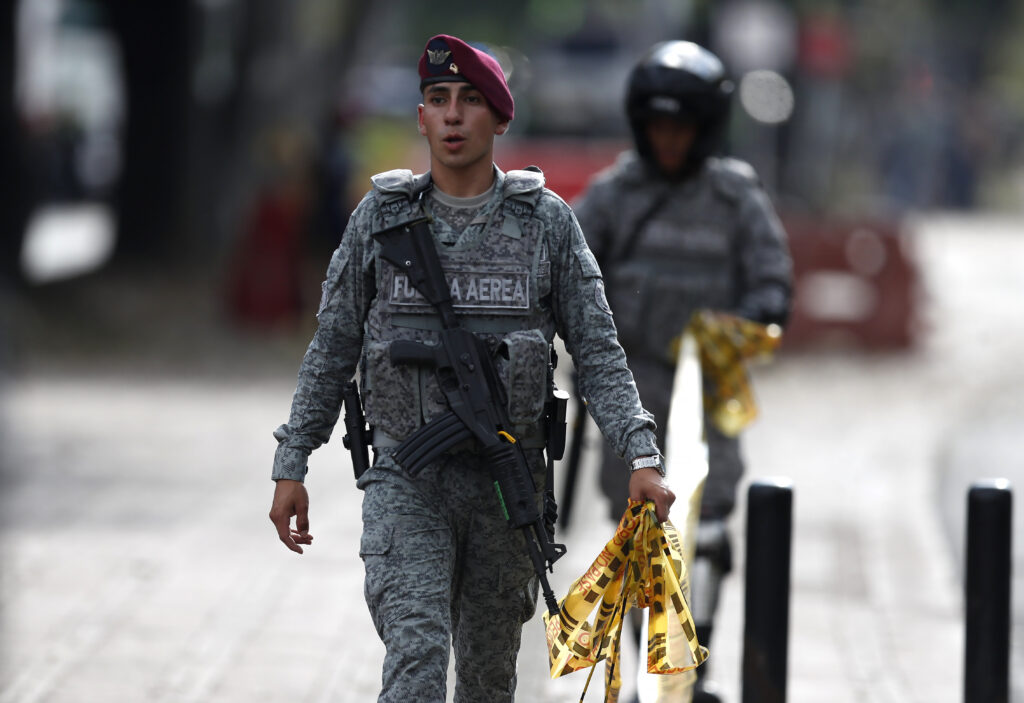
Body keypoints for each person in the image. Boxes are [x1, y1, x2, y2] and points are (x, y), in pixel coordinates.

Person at [267, 34, 674, 703]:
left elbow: (598, 351)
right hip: (406, 478)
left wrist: (640, 454)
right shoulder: (380, 221)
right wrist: (292, 462)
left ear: (500, 118)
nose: (452, 115)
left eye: (469, 101)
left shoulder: (546, 226)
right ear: (422, 117)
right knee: (418, 658)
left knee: (487, 682)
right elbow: (333, 347)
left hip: (504, 488)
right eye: (437, 99)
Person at [572, 40, 793, 702]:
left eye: (682, 128)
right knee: (641, 534)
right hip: (631, 387)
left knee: (711, 527)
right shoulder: (614, 195)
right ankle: (652, 674)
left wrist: (745, 320)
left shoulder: (735, 198)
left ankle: (696, 666)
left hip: (710, 385)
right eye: (658, 127)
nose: (669, 141)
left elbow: (774, 283)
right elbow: (565, 268)